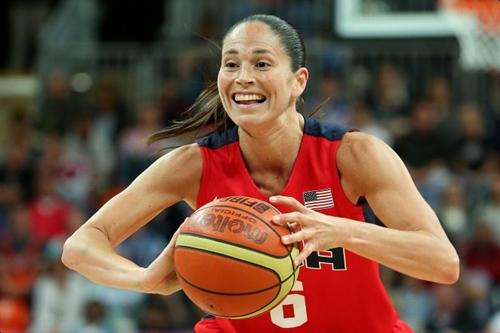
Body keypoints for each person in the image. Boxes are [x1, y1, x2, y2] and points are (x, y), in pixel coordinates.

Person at [62, 14, 460, 333]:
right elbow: (81, 246)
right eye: (230, 64)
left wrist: (340, 231)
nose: (243, 77)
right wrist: (146, 280)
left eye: (262, 63)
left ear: (297, 82)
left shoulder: (354, 154)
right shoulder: (193, 164)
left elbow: (443, 262)